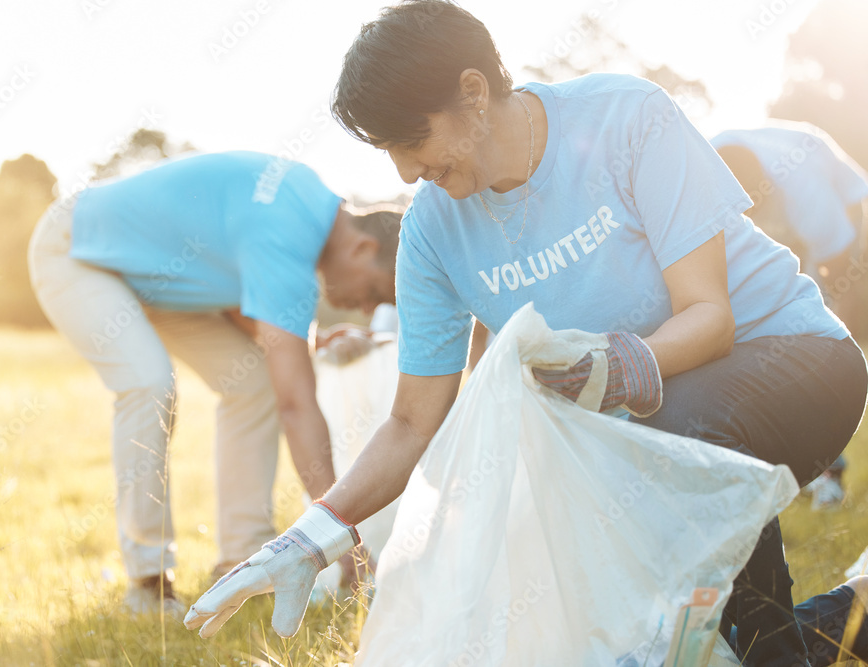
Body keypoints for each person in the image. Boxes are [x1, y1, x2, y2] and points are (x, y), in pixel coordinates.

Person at [183, 3, 868, 665]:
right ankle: (845, 620)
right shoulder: (432, 231)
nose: (405, 171)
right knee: (644, 626)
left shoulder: (627, 118)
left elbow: (710, 317)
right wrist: (313, 535)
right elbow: (412, 420)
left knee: (679, 435)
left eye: (410, 140)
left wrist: (613, 365)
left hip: (799, 365)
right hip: (655, 432)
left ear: (473, 94)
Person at [27, 150, 399, 614]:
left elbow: (247, 306)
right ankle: (148, 585)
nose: (367, 308)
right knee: (148, 382)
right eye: (377, 291)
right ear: (363, 249)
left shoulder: (306, 205)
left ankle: (239, 562)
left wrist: (314, 340)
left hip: (153, 277)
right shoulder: (289, 235)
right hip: (79, 251)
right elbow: (297, 404)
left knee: (254, 381)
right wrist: (339, 540)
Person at [712, 123, 868, 510]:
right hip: (786, 237)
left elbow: (840, 274)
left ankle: (829, 474)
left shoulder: (805, 190)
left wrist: (827, 347)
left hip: (848, 222)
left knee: (820, 351)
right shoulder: (701, 165)